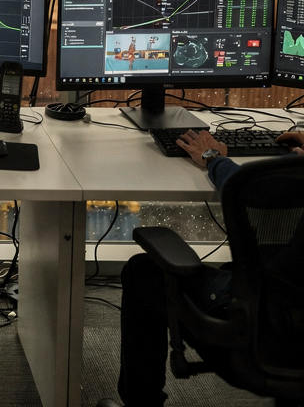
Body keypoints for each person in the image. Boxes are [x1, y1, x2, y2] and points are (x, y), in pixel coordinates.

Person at [97, 127, 304, 407]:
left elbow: (252, 186)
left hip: (271, 335)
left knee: (142, 271)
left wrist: (212, 156)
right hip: (290, 314)